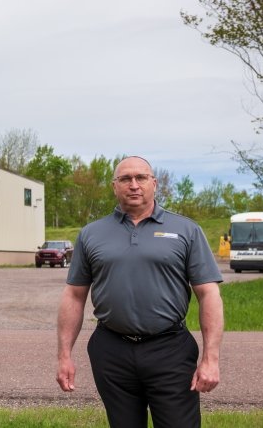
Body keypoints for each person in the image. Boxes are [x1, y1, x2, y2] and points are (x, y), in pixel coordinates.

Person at [56, 156, 224, 427]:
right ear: (114, 186)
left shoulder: (186, 230)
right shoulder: (91, 234)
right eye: (125, 179)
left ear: (154, 184)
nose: (133, 185)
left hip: (170, 349)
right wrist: (64, 356)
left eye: (141, 178)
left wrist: (211, 359)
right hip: (111, 350)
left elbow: (209, 294)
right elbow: (74, 296)